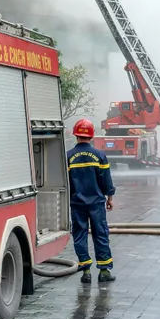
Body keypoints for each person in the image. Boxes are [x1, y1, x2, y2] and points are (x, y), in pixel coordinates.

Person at [66, 118, 116, 283]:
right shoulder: (100, 155)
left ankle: (86, 271)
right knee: (100, 234)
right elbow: (106, 180)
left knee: (79, 235)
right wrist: (109, 198)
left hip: (77, 203)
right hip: (96, 203)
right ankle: (104, 272)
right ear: (92, 136)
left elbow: (65, 183)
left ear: (76, 135)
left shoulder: (68, 157)